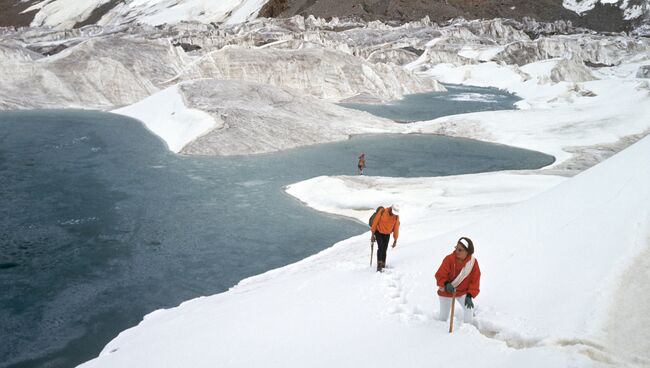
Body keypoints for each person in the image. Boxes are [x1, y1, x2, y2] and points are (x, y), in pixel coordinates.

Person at [434, 237, 481, 325]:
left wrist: (470, 295)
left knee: (469, 309)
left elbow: (475, 280)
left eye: (460, 250)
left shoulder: (473, 263)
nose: (457, 251)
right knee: (443, 317)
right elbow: (440, 274)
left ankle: (467, 330)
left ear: (467, 252)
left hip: (462, 292)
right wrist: (446, 284)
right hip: (447, 291)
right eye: (456, 248)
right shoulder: (449, 259)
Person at [370, 204, 400, 272]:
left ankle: (383, 264)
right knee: (381, 247)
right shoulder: (382, 211)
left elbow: (396, 228)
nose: (393, 214)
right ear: (391, 209)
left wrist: (395, 240)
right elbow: (375, 223)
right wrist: (372, 235)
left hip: (387, 234)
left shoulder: (396, 217)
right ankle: (379, 265)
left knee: (384, 249)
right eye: (393, 212)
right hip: (378, 232)